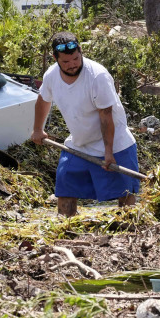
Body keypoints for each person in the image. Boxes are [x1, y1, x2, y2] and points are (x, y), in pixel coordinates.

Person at [30, 31, 140, 217]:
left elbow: (106, 116)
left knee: (126, 196)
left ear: (80, 51)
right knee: (65, 189)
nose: (72, 64)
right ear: (56, 59)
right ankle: (65, 227)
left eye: (75, 58)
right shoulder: (51, 75)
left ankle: (130, 232)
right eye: (66, 62)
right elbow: (43, 99)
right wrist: (38, 129)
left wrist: (108, 152)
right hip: (79, 144)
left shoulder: (97, 76)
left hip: (116, 144)